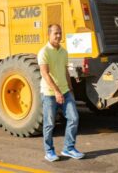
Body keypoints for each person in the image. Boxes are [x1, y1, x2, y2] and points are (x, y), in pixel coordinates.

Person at [37, 24, 85, 162]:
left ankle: (68, 148)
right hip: (49, 93)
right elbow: (45, 74)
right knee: (49, 123)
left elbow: (65, 72)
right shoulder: (44, 52)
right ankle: (49, 151)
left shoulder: (63, 52)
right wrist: (57, 92)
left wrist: (71, 90)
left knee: (74, 118)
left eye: (60, 33)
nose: (58, 36)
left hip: (65, 91)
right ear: (49, 35)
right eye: (55, 33)